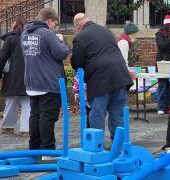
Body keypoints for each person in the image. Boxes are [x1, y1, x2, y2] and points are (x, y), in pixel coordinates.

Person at [71, 13, 133, 140]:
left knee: (97, 115)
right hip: (120, 76)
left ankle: (96, 147)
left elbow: (77, 62)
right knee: (118, 114)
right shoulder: (106, 31)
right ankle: (118, 147)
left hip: (99, 79)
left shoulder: (81, 37)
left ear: (78, 25)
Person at [21, 8, 69, 150]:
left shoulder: (24, 34)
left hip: (32, 82)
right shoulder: (47, 34)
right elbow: (61, 53)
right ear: (50, 21)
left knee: (35, 116)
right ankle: (47, 150)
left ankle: (34, 148)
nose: (55, 27)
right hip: (48, 82)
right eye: (55, 23)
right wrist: (61, 41)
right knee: (47, 118)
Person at [0, 17, 29, 136]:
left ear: (15, 26)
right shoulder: (30, 38)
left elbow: (2, 58)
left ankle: (7, 126)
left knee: (11, 102)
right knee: (28, 103)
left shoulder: (10, 39)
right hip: (29, 75)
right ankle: (27, 129)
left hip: (13, 76)